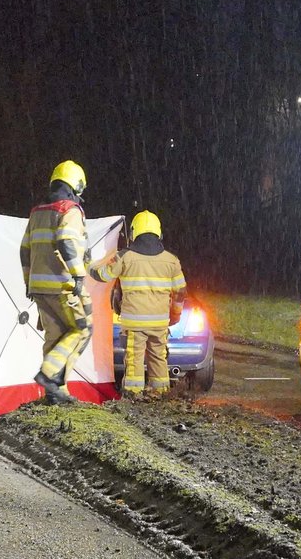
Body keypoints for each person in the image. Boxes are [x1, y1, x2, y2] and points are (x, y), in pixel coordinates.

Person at [90, 210, 186, 397]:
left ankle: (134, 397)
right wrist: (175, 314)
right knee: (159, 358)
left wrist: (88, 264)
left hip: (134, 324)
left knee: (134, 360)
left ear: (134, 232)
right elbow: (181, 291)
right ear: (159, 233)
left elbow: (103, 276)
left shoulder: (125, 257)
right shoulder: (171, 260)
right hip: (159, 324)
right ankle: (161, 395)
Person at [21, 160, 90, 405]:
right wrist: (79, 274)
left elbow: (24, 249)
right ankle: (48, 375)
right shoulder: (69, 210)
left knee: (55, 335)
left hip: (39, 287)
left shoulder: (38, 211)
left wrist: (28, 281)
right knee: (81, 329)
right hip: (61, 285)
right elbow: (67, 241)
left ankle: (55, 393)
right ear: (76, 185)